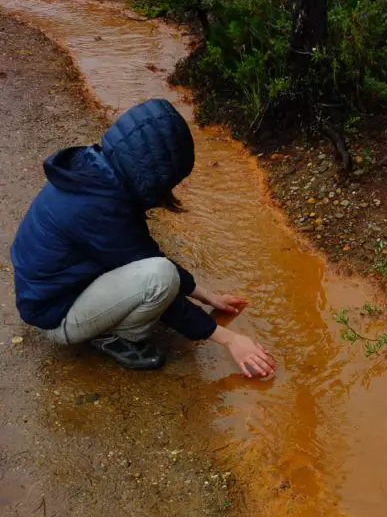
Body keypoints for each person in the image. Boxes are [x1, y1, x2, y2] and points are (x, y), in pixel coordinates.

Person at [11, 98, 276, 378]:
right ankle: (114, 336)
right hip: (56, 315)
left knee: (158, 272)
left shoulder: (98, 176)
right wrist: (231, 340)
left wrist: (207, 295)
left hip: (50, 291)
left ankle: (109, 318)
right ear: (156, 173)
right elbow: (160, 280)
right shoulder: (100, 208)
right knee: (159, 278)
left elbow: (141, 251)